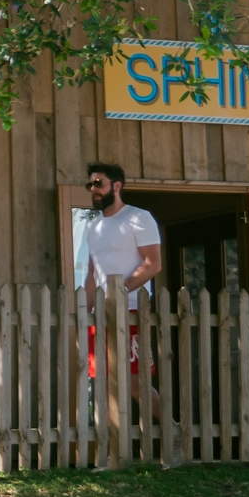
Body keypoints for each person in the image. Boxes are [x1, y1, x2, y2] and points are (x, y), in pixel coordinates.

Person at [81, 162, 167, 441]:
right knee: (103, 382)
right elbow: (93, 273)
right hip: (101, 316)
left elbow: (153, 264)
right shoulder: (93, 228)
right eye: (90, 184)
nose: (93, 189)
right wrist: (87, 310)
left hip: (130, 310)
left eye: (99, 183)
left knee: (134, 383)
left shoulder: (138, 218)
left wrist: (122, 290)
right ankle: (109, 450)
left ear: (116, 186)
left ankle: (173, 432)